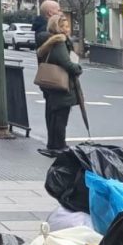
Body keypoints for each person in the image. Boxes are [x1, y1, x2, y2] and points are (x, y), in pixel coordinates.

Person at [37, 14, 82, 152]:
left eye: (67, 26)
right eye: (63, 26)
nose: (66, 29)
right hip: (61, 86)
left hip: (51, 85)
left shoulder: (48, 41)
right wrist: (78, 69)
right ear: (56, 27)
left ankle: (53, 144)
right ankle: (59, 145)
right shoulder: (60, 42)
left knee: (54, 116)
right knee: (61, 118)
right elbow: (66, 63)